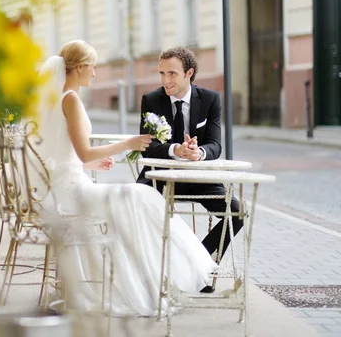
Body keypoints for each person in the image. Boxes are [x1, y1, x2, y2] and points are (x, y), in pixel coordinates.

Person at [35, 40, 217, 317]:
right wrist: (127, 144)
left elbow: (66, 152)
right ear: (81, 67)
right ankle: (152, 278)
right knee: (140, 197)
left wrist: (93, 162)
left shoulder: (59, 98)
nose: (95, 73)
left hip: (66, 186)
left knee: (138, 198)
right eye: (93, 67)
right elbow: (83, 152)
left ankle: (151, 276)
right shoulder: (70, 99)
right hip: (71, 194)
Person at [135, 46, 243, 293]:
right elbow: (147, 148)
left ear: (189, 73)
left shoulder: (210, 99)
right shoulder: (151, 100)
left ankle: (199, 267)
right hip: (158, 177)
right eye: (162, 74)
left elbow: (215, 144)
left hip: (197, 177)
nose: (165, 80)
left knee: (236, 213)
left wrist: (199, 153)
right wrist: (175, 150)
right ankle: (151, 273)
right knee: (136, 206)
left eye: (172, 74)